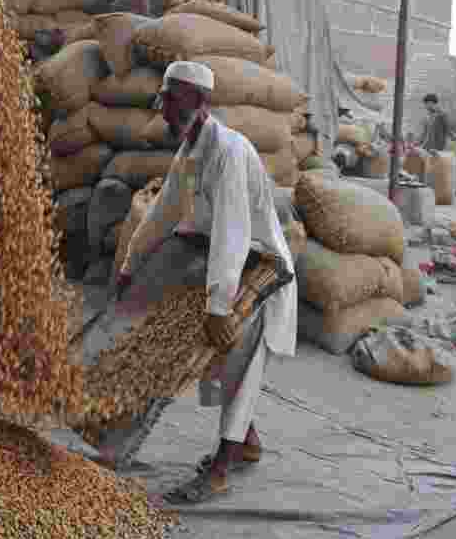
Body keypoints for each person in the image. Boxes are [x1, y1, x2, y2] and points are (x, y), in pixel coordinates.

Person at [73, 61, 296, 505]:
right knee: (212, 363)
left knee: (238, 365)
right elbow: (164, 212)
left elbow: (233, 229)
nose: (164, 107)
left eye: (173, 99)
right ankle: (247, 443)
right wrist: (130, 263)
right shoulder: (191, 153)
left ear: (200, 103)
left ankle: (219, 471)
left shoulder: (229, 152)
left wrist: (218, 306)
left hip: (258, 268)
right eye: (163, 97)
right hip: (220, 263)